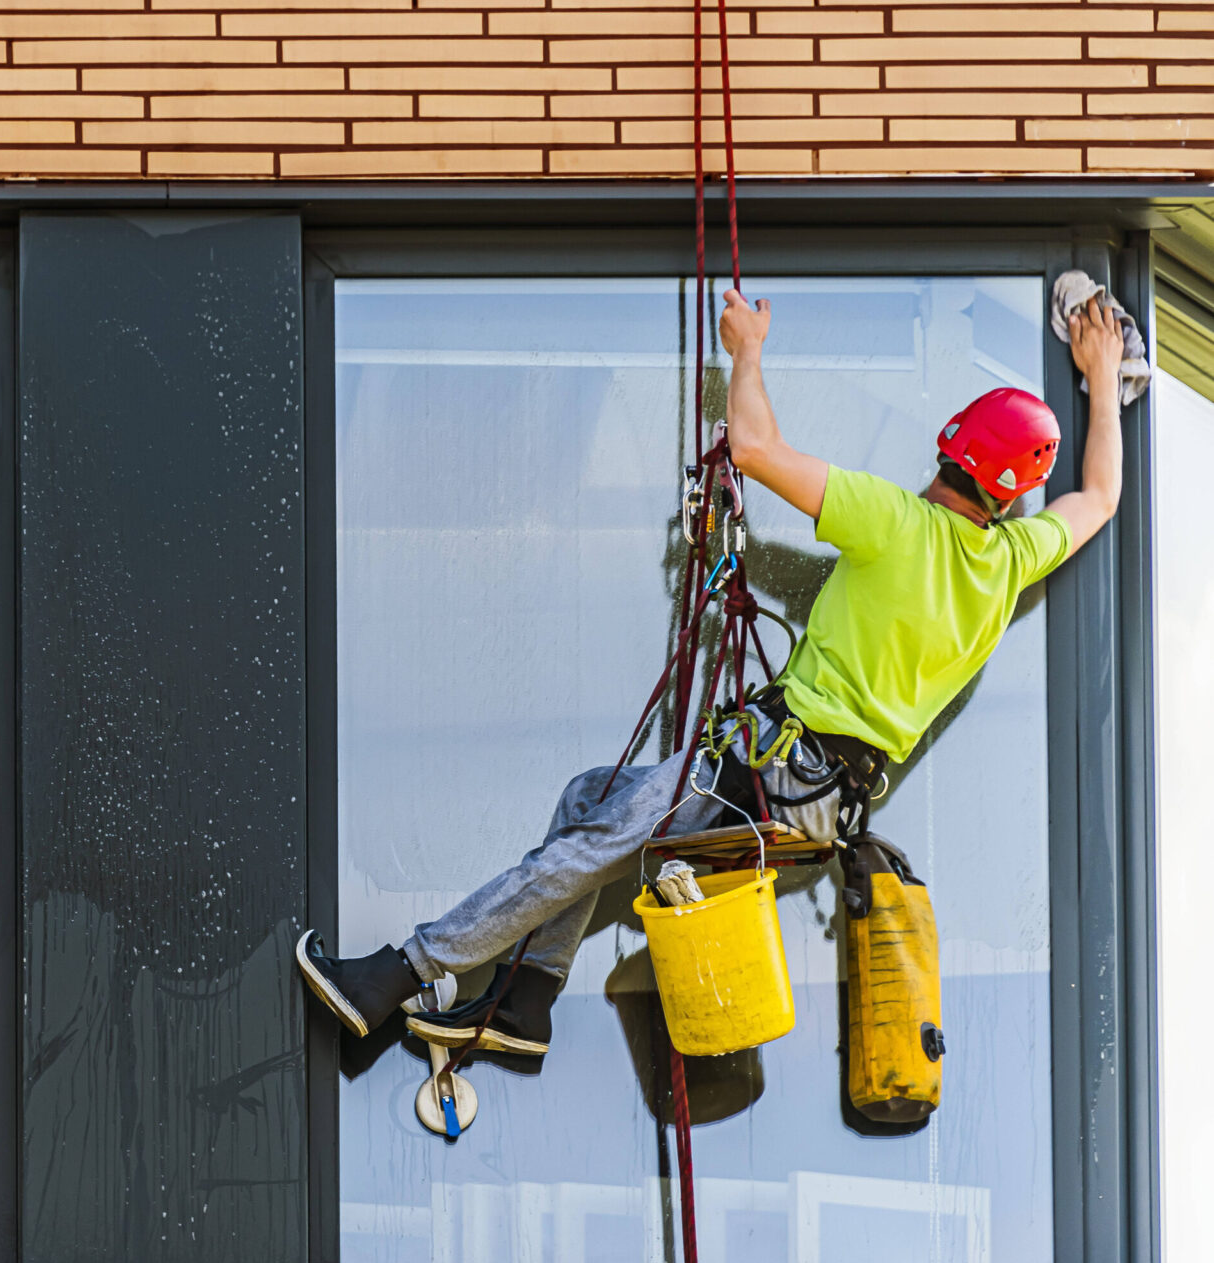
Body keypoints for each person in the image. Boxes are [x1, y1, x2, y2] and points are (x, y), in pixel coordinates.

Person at [298, 288, 1127, 1055]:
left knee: (588, 847)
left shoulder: (897, 523)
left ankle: (394, 975)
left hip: (767, 774)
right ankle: (527, 1003)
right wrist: (1098, 378)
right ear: (1013, 494)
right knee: (591, 798)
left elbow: (757, 448)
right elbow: (1097, 497)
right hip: (814, 799)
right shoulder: (1013, 559)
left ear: (951, 446)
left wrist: (747, 350)